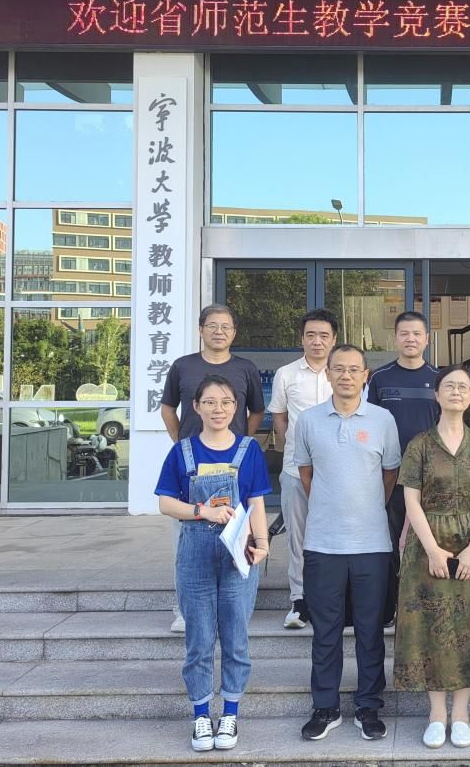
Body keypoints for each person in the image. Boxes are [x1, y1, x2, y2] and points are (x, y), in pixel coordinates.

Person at [155, 374, 271, 752]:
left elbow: (256, 502)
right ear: (196, 407)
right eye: (209, 402)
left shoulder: (249, 450)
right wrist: (201, 510)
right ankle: (202, 715)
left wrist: (262, 544)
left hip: (238, 554)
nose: (218, 409)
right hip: (195, 555)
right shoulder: (183, 452)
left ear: (236, 408)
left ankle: (231, 713)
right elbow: (165, 502)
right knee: (199, 639)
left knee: (236, 637)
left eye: (225, 402)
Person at [393, 366, 470, 750]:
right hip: (428, 543)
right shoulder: (420, 444)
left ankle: (461, 713)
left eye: (463, 387)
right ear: (437, 395)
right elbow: (411, 500)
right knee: (430, 626)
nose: (456, 392)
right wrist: (431, 549)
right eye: (449, 386)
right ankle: (435, 714)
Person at [296, 344, 401, 743]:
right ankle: (325, 706)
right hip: (323, 543)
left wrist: (365, 507)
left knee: (371, 630)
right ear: (327, 374)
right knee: (325, 630)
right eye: (338, 368)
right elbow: (306, 474)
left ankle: (368, 705)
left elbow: (389, 475)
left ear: (365, 375)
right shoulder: (308, 420)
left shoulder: (382, 420)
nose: (345, 375)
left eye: (353, 369)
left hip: (372, 543)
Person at [160, 303, 265, 633]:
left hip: (234, 462)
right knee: (186, 540)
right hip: (193, 467)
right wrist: (182, 442)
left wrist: (240, 444)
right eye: (213, 325)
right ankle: (185, 609)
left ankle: (237, 606)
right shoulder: (183, 366)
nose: (219, 332)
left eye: (226, 326)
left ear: (234, 332)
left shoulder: (245, 368)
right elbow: (167, 408)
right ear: (200, 330)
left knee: (238, 535)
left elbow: (256, 412)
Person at [366, 310, 440, 625]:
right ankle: (389, 609)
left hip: (430, 478)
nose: (411, 339)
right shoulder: (380, 378)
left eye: (417, 333)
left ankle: (422, 610)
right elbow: (368, 425)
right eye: (404, 333)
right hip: (390, 477)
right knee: (388, 544)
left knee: (426, 543)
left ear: (427, 339)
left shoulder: (438, 379)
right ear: (395, 338)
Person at [267, 309, 337, 630]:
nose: (317, 341)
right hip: (296, 469)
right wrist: (293, 446)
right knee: (298, 536)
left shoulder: (342, 371)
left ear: (334, 339)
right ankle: (299, 601)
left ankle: (332, 597)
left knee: (334, 535)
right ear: (302, 339)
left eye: (323, 335)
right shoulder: (286, 374)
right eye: (311, 335)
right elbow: (280, 417)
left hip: (337, 472)